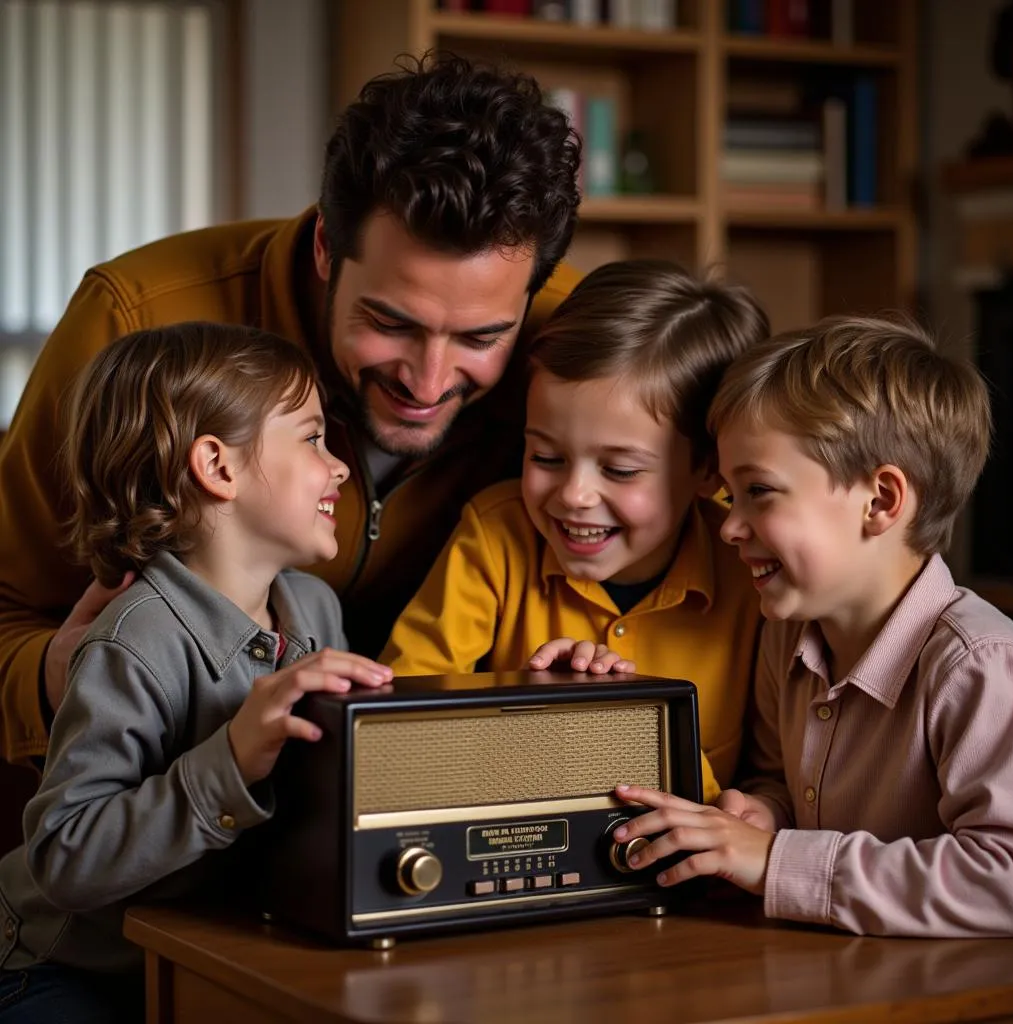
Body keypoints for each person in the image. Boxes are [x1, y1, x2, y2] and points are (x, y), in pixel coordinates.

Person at [0, 53, 582, 773]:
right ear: (325, 250)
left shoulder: (575, 349)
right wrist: (60, 677)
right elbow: (7, 607)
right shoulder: (131, 320)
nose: (429, 381)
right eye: (391, 322)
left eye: (481, 338)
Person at [0, 322, 393, 1021]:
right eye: (311, 439)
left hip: (209, 946)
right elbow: (63, 858)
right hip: (63, 969)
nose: (339, 467)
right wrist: (234, 759)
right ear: (218, 467)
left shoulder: (316, 610)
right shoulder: (135, 641)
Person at [613, 315, 1013, 937]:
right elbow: (783, 780)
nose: (730, 526)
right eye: (729, 495)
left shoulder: (978, 661)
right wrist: (762, 815)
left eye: (760, 492)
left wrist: (778, 861)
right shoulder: (787, 635)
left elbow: (1010, 878)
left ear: (881, 502)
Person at [382, 260, 770, 801]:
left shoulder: (751, 575)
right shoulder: (494, 538)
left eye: (620, 469)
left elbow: (776, 775)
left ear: (708, 468)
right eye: (546, 455)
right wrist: (528, 705)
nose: (573, 495)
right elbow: (394, 723)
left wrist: (752, 810)